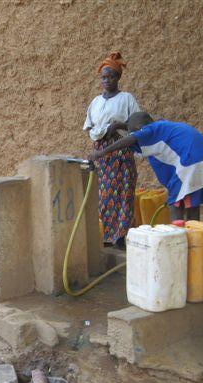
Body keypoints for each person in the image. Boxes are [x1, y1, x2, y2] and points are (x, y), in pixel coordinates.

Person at [88, 112, 203, 221]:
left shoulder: (150, 129)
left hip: (190, 164)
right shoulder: (162, 128)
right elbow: (136, 127)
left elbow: (131, 138)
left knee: (175, 205)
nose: (132, 134)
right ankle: (194, 245)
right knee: (191, 206)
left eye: (133, 132)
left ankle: (176, 244)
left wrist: (101, 153)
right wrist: (121, 126)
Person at [83, 52, 140, 248]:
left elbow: (137, 125)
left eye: (111, 76)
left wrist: (119, 126)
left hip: (121, 152)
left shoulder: (127, 99)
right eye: (104, 77)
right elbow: (89, 127)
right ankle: (106, 235)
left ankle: (120, 237)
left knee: (124, 191)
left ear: (118, 78)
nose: (107, 80)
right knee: (105, 193)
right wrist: (102, 132)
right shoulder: (96, 103)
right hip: (101, 153)